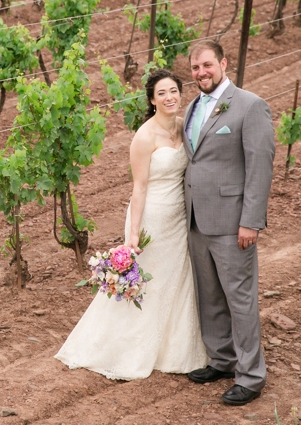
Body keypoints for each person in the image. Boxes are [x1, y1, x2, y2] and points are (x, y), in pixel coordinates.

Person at [55, 69, 208, 380]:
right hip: (152, 217)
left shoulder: (184, 127)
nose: (169, 97)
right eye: (162, 93)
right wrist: (133, 235)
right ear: (152, 100)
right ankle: (125, 348)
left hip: (180, 217)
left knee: (176, 280)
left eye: (174, 91)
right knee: (147, 283)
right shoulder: (144, 136)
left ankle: (172, 349)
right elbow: (139, 187)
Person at [182, 41, 275, 406]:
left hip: (233, 222)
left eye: (207, 65)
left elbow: (260, 167)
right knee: (210, 296)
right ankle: (222, 360)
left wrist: (251, 222)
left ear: (222, 63)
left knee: (240, 300)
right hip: (196, 219)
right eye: (195, 68)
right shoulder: (192, 107)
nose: (201, 72)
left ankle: (251, 377)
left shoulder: (250, 106)